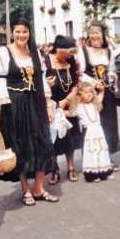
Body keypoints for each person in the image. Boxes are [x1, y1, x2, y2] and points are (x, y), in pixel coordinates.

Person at [0, 16, 58, 206]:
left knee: (42, 142)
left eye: (24, 31)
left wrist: (49, 105)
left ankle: (39, 188)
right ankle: (25, 189)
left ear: (29, 33)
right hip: (14, 105)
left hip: (35, 103)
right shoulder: (4, 52)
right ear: (12, 32)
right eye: (17, 31)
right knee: (19, 146)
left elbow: (42, 80)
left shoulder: (34, 51)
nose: (21, 35)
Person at [77, 21, 120, 171]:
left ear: (102, 34)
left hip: (107, 94)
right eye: (92, 32)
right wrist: (93, 82)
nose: (94, 36)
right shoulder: (82, 51)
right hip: (90, 94)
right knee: (91, 124)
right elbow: (80, 73)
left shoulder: (109, 52)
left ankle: (106, 158)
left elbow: (110, 70)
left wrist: (112, 75)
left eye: (97, 33)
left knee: (107, 125)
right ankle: (91, 159)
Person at [44, 35, 81, 184]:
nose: (71, 55)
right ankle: (55, 170)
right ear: (60, 50)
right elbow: (39, 83)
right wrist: (46, 83)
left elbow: (76, 84)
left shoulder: (71, 62)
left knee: (70, 138)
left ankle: (71, 168)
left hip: (69, 104)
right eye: (69, 52)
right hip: (51, 105)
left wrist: (66, 101)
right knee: (53, 138)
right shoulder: (45, 61)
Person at [67, 82, 114, 182]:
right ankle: (92, 174)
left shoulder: (95, 104)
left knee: (101, 151)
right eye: (86, 92)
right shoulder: (78, 107)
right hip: (88, 134)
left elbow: (101, 95)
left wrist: (102, 89)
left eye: (91, 92)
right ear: (80, 95)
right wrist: (59, 110)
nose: (89, 94)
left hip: (99, 132)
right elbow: (70, 114)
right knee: (91, 152)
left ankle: (104, 172)